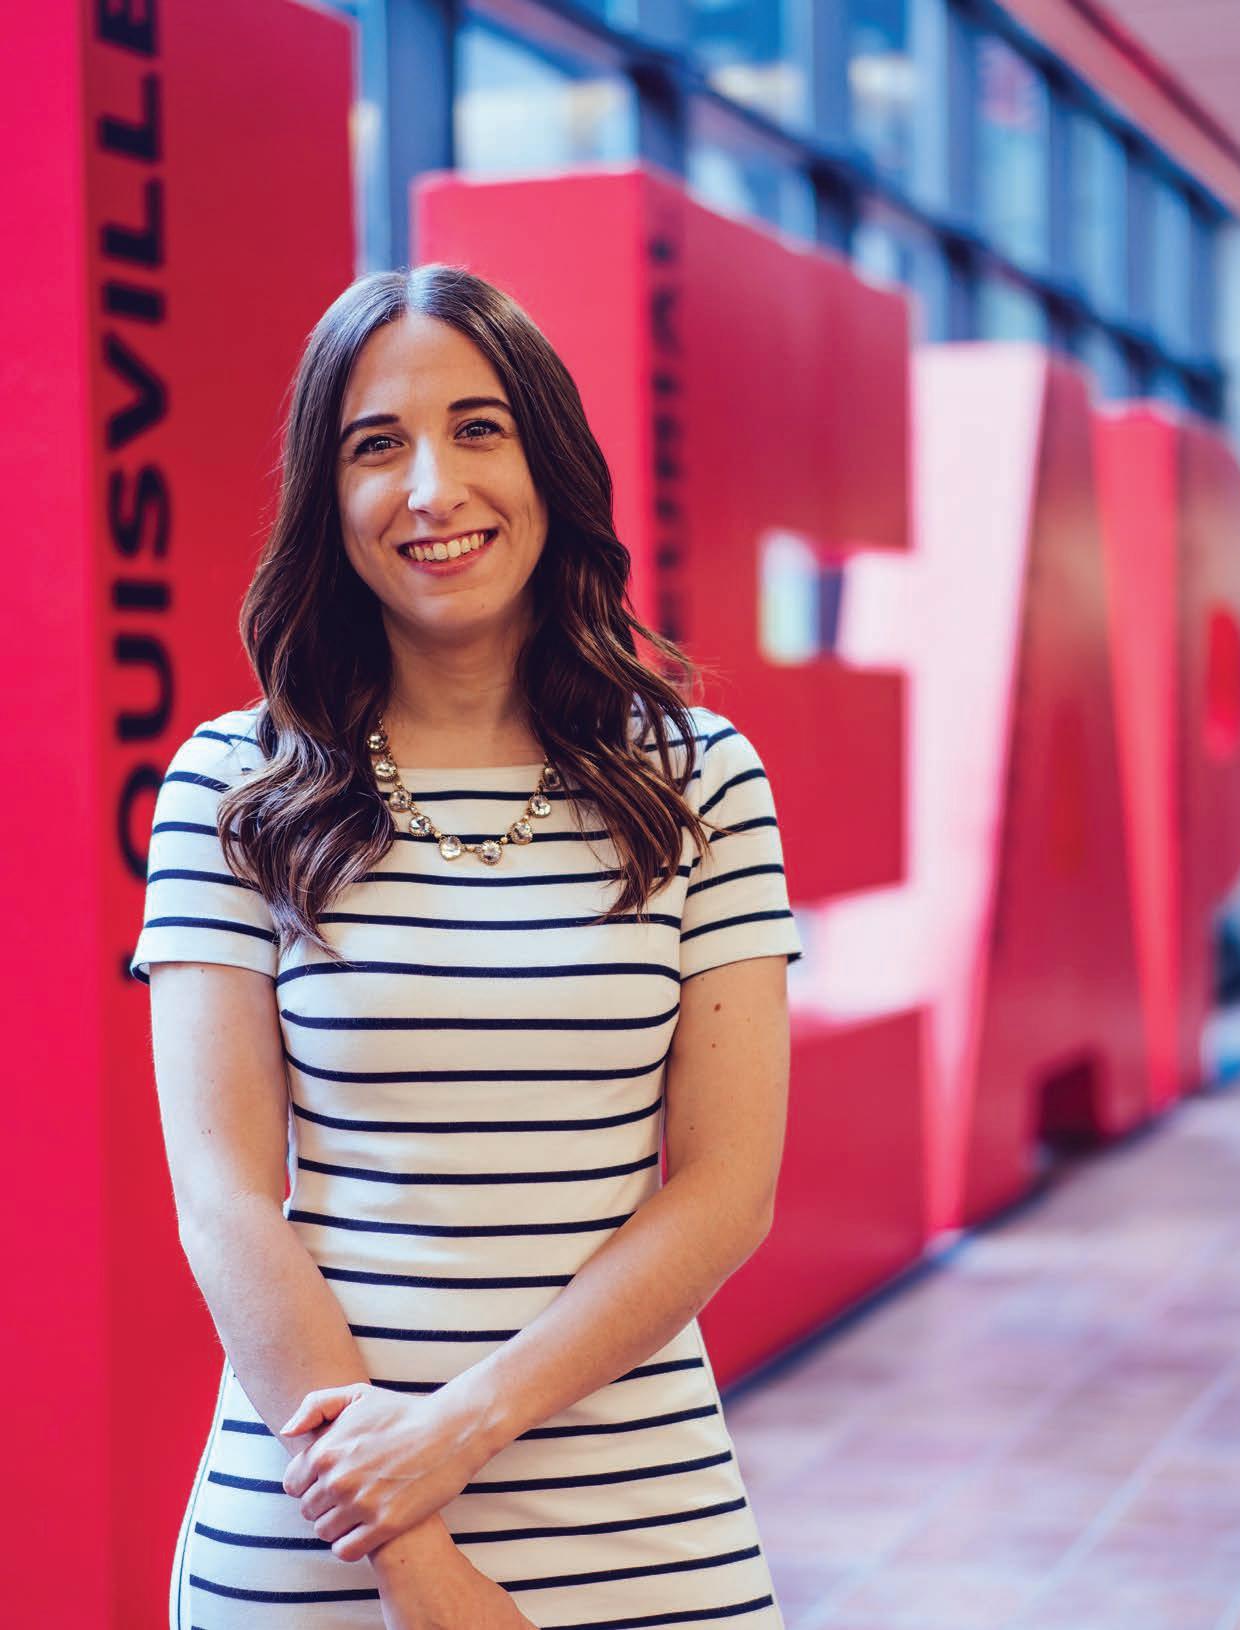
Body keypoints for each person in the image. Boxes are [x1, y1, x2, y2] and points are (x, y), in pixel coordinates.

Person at [132, 263, 803, 1630]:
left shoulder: (698, 777)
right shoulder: (234, 784)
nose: (432, 488)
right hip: (321, 1527)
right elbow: (224, 1199)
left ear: (547, 457)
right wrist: (414, 1558)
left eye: (477, 427)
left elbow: (727, 1188)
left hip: (638, 1508)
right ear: (328, 499)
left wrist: (451, 1433)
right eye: (376, 445)